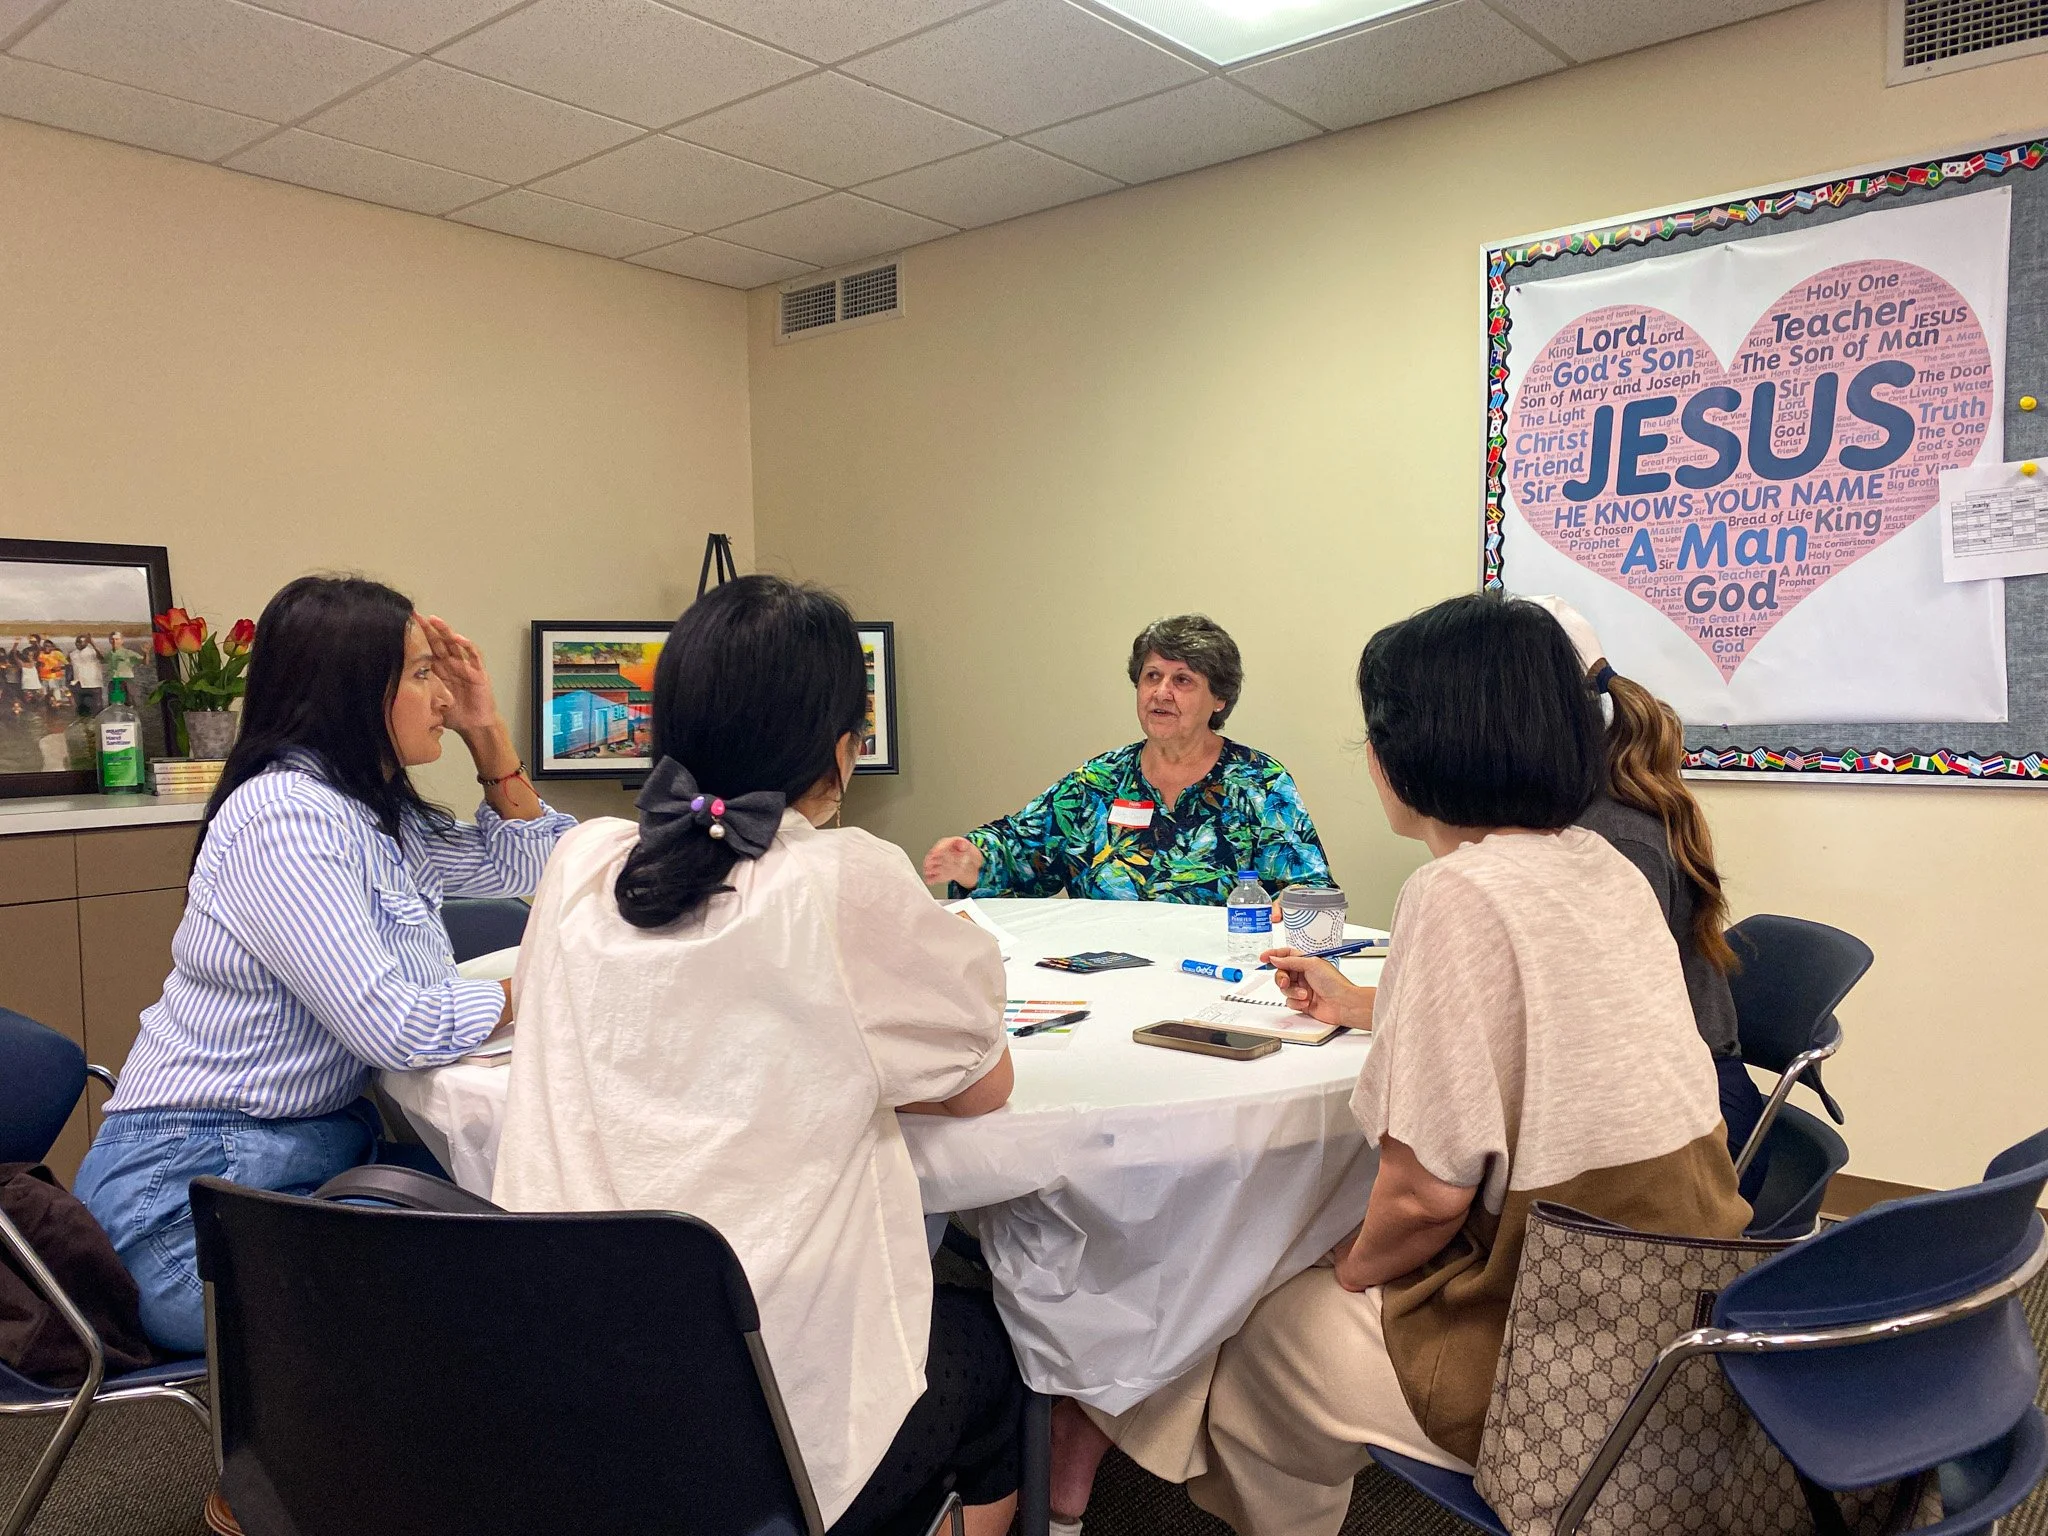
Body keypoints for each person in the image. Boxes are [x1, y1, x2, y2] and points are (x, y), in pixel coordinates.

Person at [1061, 594, 1751, 1536]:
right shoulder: (1601, 859)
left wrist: (1349, 1273)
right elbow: (1539, 1019)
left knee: (1256, 1313)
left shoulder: (1454, 892)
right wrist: (1359, 1005)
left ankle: (1118, 1439)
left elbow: (1423, 1202)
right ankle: (1114, 1434)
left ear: (1406, 752)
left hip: (1558, 1340)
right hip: (1690, 1291)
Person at [496, 575, 1024, 1536]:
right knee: (987, 1356)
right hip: (767, 1411)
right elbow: (982, 1084)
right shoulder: (839, 881)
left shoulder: (578, 865)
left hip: (554, 1386)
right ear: (840, 748)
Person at [73, 575, 574, 1363]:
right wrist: (543, 985)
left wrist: (488, 735)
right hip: (187, 1211)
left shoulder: (368, 810)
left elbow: (542, 863)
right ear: (350, 690)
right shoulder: (287, 818)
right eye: (419, 675)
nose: (440, 694)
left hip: (296, 1169)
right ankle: (319, 1481)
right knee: (508, 1278)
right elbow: (394, 1027)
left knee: (534, 1222)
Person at [1528, 596, 1767, 1195]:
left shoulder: (1608, 836)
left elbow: (1579, 1017)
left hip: (1686, 1126)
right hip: (1661, 1094)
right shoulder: (1592, 806)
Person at [923, 614, 1332, 903]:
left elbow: (1310, 891)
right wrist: (976, 857)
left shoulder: (1259, 782)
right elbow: (1024, 847)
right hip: (1106, 978)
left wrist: (1289, 908)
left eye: (1183, 680)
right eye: (1152, 676)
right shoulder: (1099, 783)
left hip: (1220, 982)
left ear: (1219, 699)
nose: (1161, 692)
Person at [70, 635, 106, 718]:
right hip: (79, 684)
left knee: (97, 710)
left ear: (86, 643)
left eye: (81, 641)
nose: (78, 643)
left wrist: (93, 643)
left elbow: (102, 658)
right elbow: (70, 667)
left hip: (94, 684)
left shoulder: (93, 652)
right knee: (81, 711)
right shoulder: (73, 654)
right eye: (77, 641)